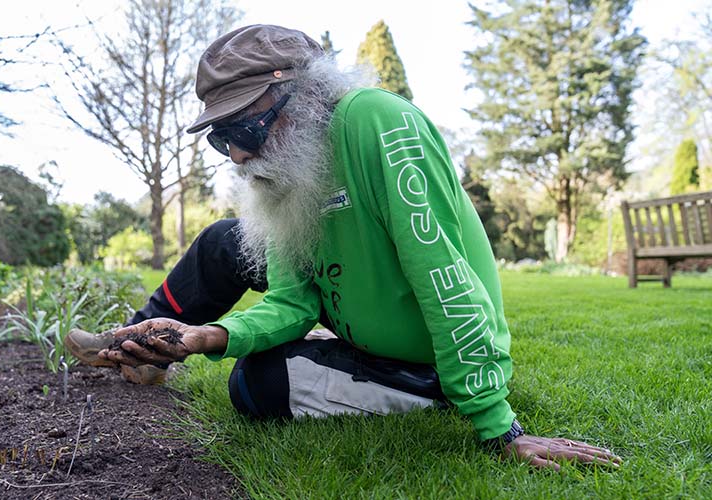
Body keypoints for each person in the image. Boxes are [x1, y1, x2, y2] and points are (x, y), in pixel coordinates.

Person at [66, 24, 620, 471]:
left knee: (257, 385)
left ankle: (438, 390)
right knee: (223, 247)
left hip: (423, 355)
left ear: (304, 94)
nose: (236, 154)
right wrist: (205, 337)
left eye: (246, 129)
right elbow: (293, 302)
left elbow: (442, 278)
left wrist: (500, 427)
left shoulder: (380, 123)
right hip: (358, 332)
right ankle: (138, 349)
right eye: (222, 138)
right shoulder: (284, 176)